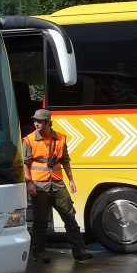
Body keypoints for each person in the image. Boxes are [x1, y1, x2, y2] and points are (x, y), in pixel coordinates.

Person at [23, 109, 92, 263]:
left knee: (69, 216)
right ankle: (38, 252)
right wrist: (29, 183)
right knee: (41, 221)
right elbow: (25, 163)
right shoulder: (29, 140)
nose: (36, 123)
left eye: (40, 121)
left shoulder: (60, 138)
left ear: (48, 122)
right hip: (39, 186)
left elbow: (65, 160)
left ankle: (79, 251)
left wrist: (71, 180)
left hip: (57, 184)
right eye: (35, 120)